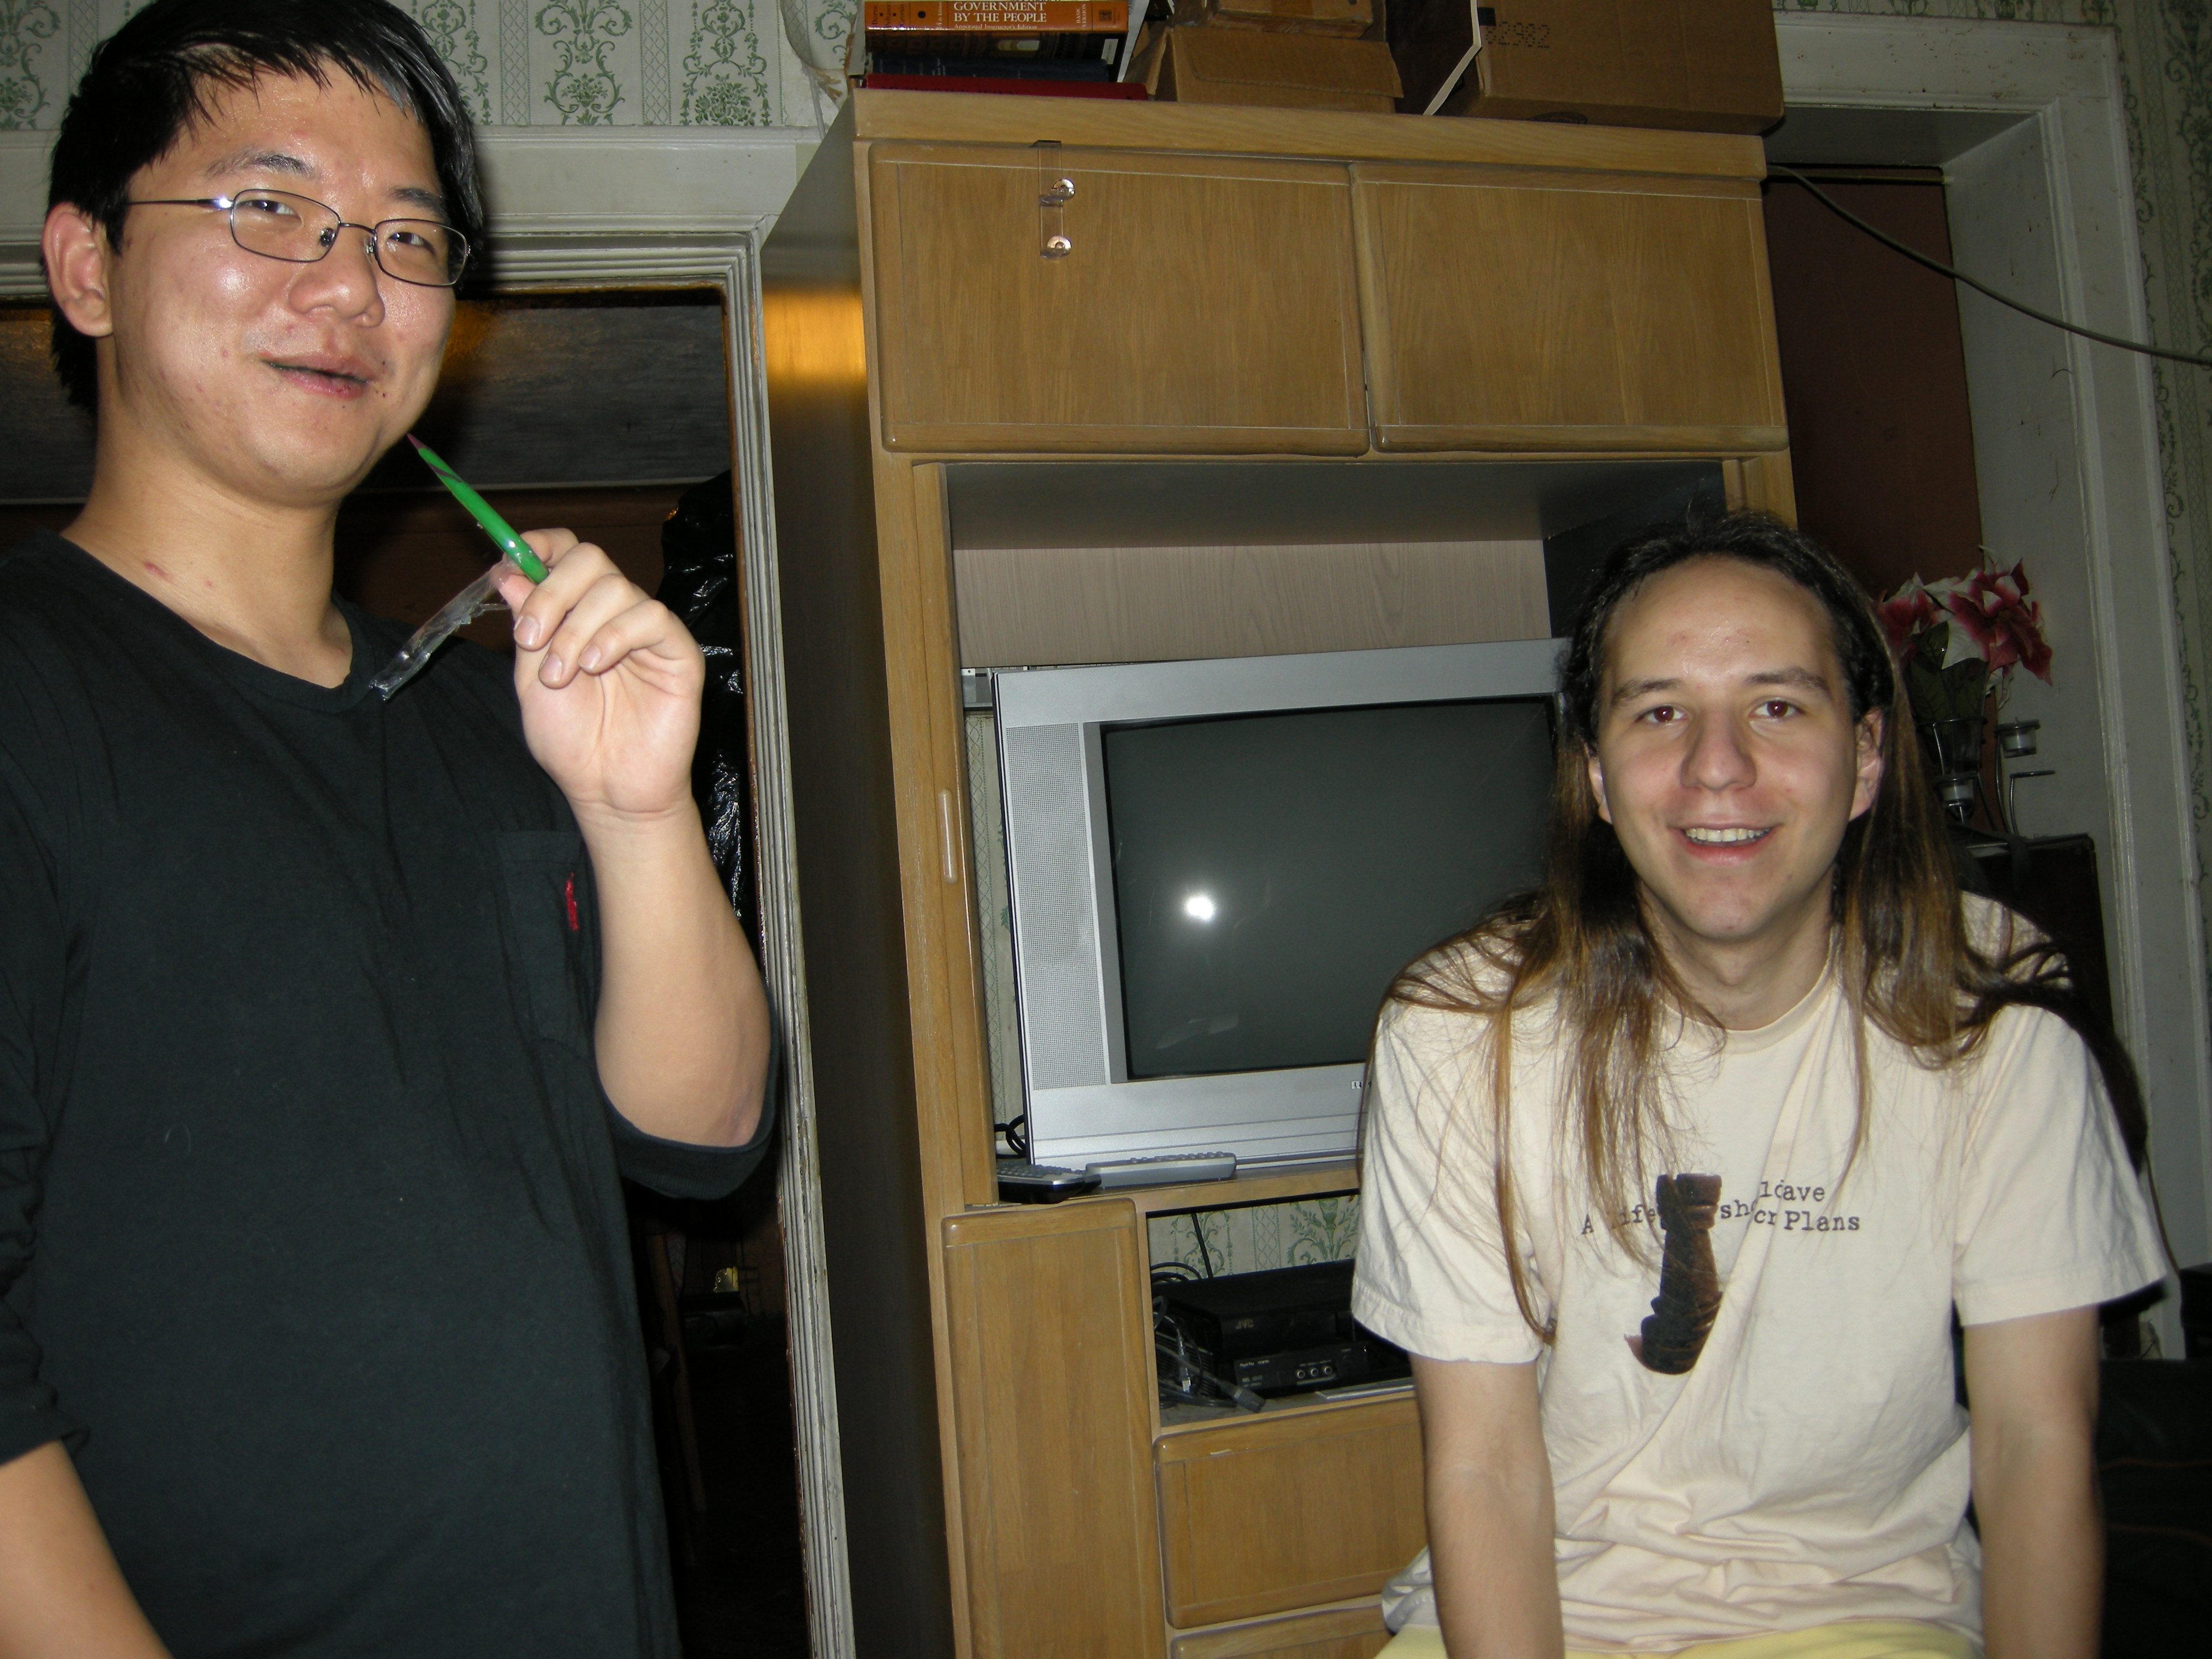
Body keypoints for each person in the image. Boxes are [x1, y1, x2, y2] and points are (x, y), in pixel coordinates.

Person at [0, 3, 774, 1655]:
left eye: (405, 238)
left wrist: (636, 807)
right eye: (269, 206)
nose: (350, 286)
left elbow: (704, 1141)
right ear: (84, 266)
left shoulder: (487, 720)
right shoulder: (25, 698)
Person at [1352, 513, 2163, 1659]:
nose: (1716, 766)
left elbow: (2036, 1444)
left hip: (1863, 1612)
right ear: (1594, 773)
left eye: (1777, 706)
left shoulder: (1994, 1012)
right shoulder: (1458, 1029)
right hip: (1541, 1612)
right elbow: (1484, 1469)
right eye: (1659, 712)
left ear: (1865, 757)